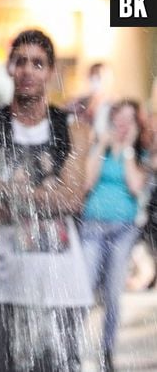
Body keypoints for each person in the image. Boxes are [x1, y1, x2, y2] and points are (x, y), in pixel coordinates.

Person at [0, 29, 94, 371]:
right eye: (21, 62)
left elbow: (72, 199)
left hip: (64, 288)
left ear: (50, 72)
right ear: (10, 67)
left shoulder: (72, 129)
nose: (28, 70)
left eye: (37, 64)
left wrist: (8, 190)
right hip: (7, 286)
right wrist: (47, 191)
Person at [80, 99, 147, 371]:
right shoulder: (100, 147)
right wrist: (103, 146)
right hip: (93, 226)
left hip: (123, 230)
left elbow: (134, 187)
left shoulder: (139, 153)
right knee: (84, 289)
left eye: (129, 120)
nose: (123, 125)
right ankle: (73, 345)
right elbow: (86, 183)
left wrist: (128, 150)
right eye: (120, 118)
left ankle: (106, 351)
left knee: (113, 294)